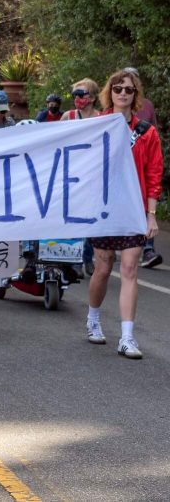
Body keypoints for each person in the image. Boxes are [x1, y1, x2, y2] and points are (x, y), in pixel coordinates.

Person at [86, 69, 163, 359]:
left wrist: (151, 214)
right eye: (117, 88)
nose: (122, 93)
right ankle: (93, 319)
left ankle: (127, 337)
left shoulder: (146, 132)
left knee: (130, 269)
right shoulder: (96, 125)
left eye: (128, 90)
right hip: (103, 207)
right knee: (103, 268)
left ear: (135, 95)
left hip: (133, 208)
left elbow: (154, 173)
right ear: (110, 92)